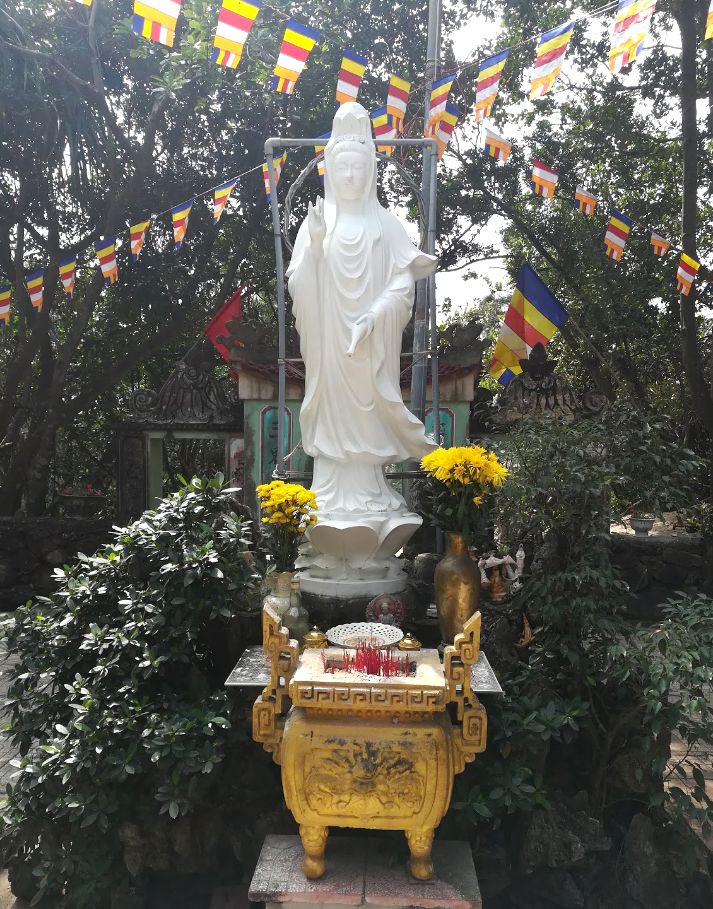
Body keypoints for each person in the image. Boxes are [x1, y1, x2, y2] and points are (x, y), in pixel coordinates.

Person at [287, 102, 437, 519]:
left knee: (371, 408)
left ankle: (372, 489)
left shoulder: (385, 225)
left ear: (370, 170)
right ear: (331, 171)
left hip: (371, 346)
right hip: (330, 347)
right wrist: (317, 247)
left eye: (358, 167)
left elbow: (403, 284)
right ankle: (330, 490)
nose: (350, 176)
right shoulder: (316, 222)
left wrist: (374, 318)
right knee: (332, 407)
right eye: (343, 167)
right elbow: (298, 283)